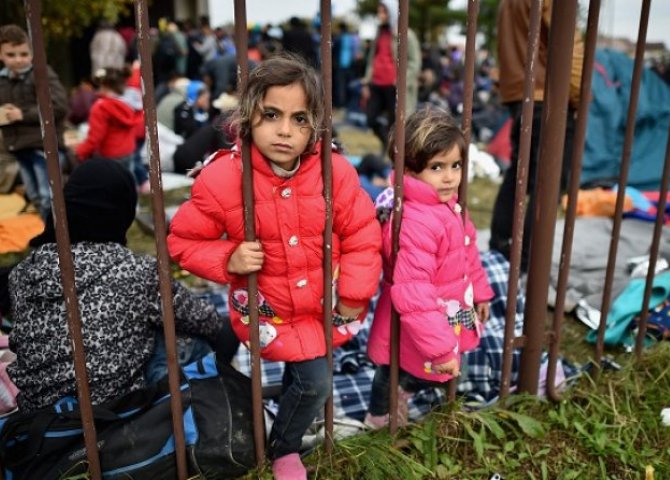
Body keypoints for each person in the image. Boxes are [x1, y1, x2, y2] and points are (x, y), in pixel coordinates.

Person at [167, 54, 382, 480]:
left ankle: (283, 444)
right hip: (267, 307)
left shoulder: (335, 172)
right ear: (248, 116)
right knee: (298, 372)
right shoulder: (222, 179)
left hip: (321, 302)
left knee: (312, 381)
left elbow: (362, 233)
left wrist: (355, 293)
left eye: (299, 119)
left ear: (316, 125)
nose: (285, 131)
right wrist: (228, 260)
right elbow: (184, 240)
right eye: (272, 115)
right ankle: (264, 423)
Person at [7, 159, 231, 413]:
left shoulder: (22, 273)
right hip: (113, 415)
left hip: (43, 418)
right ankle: (209, 415)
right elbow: (207, 321)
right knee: (189, 333)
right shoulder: (135, 270)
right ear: (121, 211)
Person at [365, 107, 494, 428]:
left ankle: (404, 391)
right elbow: (413, 290)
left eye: (456, 165)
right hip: (415, 314)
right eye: (437, 167)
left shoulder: (448, 205)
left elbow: (468, 252)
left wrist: (480, 292)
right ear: (409, 170)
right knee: (393, 367)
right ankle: (379, 417)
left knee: (425, 371)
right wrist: (439, 350)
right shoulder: (415, 221)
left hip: (446, 307)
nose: (450, 177)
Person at [489, 0, 583, 272]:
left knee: (520, 174)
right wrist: (576, 95)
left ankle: (500, 248)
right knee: (548, 183)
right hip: (547, 92)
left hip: (520, 90)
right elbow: (568, 45)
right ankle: (530, 262)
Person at [0, 24, 68, 221]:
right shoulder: (2, 81)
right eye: (11, 55)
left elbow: (59, 106)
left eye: (23, 53)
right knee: (36, 196)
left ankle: (60, 240)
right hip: (19, 146)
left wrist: (23, 114)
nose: (18, 59)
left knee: (50, 197)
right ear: (1, 55)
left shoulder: (41, 74)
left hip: (42, 146)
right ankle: (49, 238)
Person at [361, 1, 421, 153]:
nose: (380, 15)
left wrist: (402, 80)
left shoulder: (407, 34)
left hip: (395, 86)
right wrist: (367, 81)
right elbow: (372, 58)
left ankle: (393, 154)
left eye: (384, 11)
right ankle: (386, 144)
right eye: (379, 11)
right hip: (377, 84)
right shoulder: (379, 33)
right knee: (371, 119)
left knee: (396, 123)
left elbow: (415, 61)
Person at [74, 67, 143, 174]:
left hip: (109, 155)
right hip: (128, 152)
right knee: (126, 183)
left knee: (110, 187)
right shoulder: (131, 104)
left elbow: (95, 137)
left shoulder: (100, 107)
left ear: (103, 85)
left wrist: (80, 152)